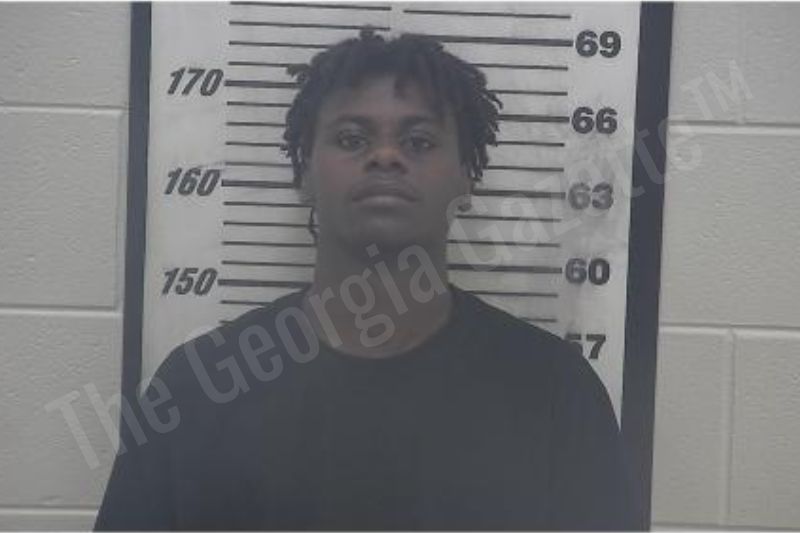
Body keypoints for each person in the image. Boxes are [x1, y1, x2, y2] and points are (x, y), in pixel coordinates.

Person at [95, 29, 639, 530]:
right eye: (352, 139)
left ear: (466, 177)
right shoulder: (196, 390)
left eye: (419, 141)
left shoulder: (554, 394)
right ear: (304, 173)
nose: (385, 156)